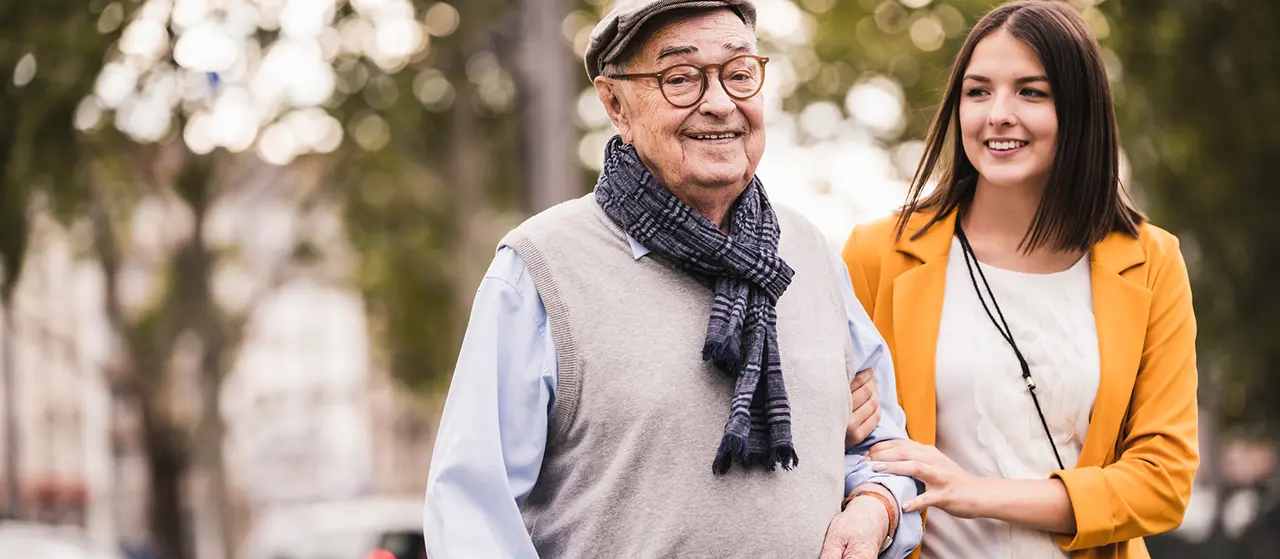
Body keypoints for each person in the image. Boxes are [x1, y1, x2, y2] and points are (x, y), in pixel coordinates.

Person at [422, 1, 924, 557]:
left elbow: (885, 446)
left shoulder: (809, 254)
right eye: (680, 78)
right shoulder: (540, 269)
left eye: (739, 75)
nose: (719, 103)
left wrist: (875, 506)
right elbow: (472, 515)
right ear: (615, 105)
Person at [839, 1, 1199, 558]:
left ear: (1079, 112)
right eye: (978, 91)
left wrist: (975, 493)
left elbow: (1163, 483)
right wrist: (833, 422)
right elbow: (841, 437)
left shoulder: (1151, 262)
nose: (997, 114)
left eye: (1031, 92)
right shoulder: (877, 254)